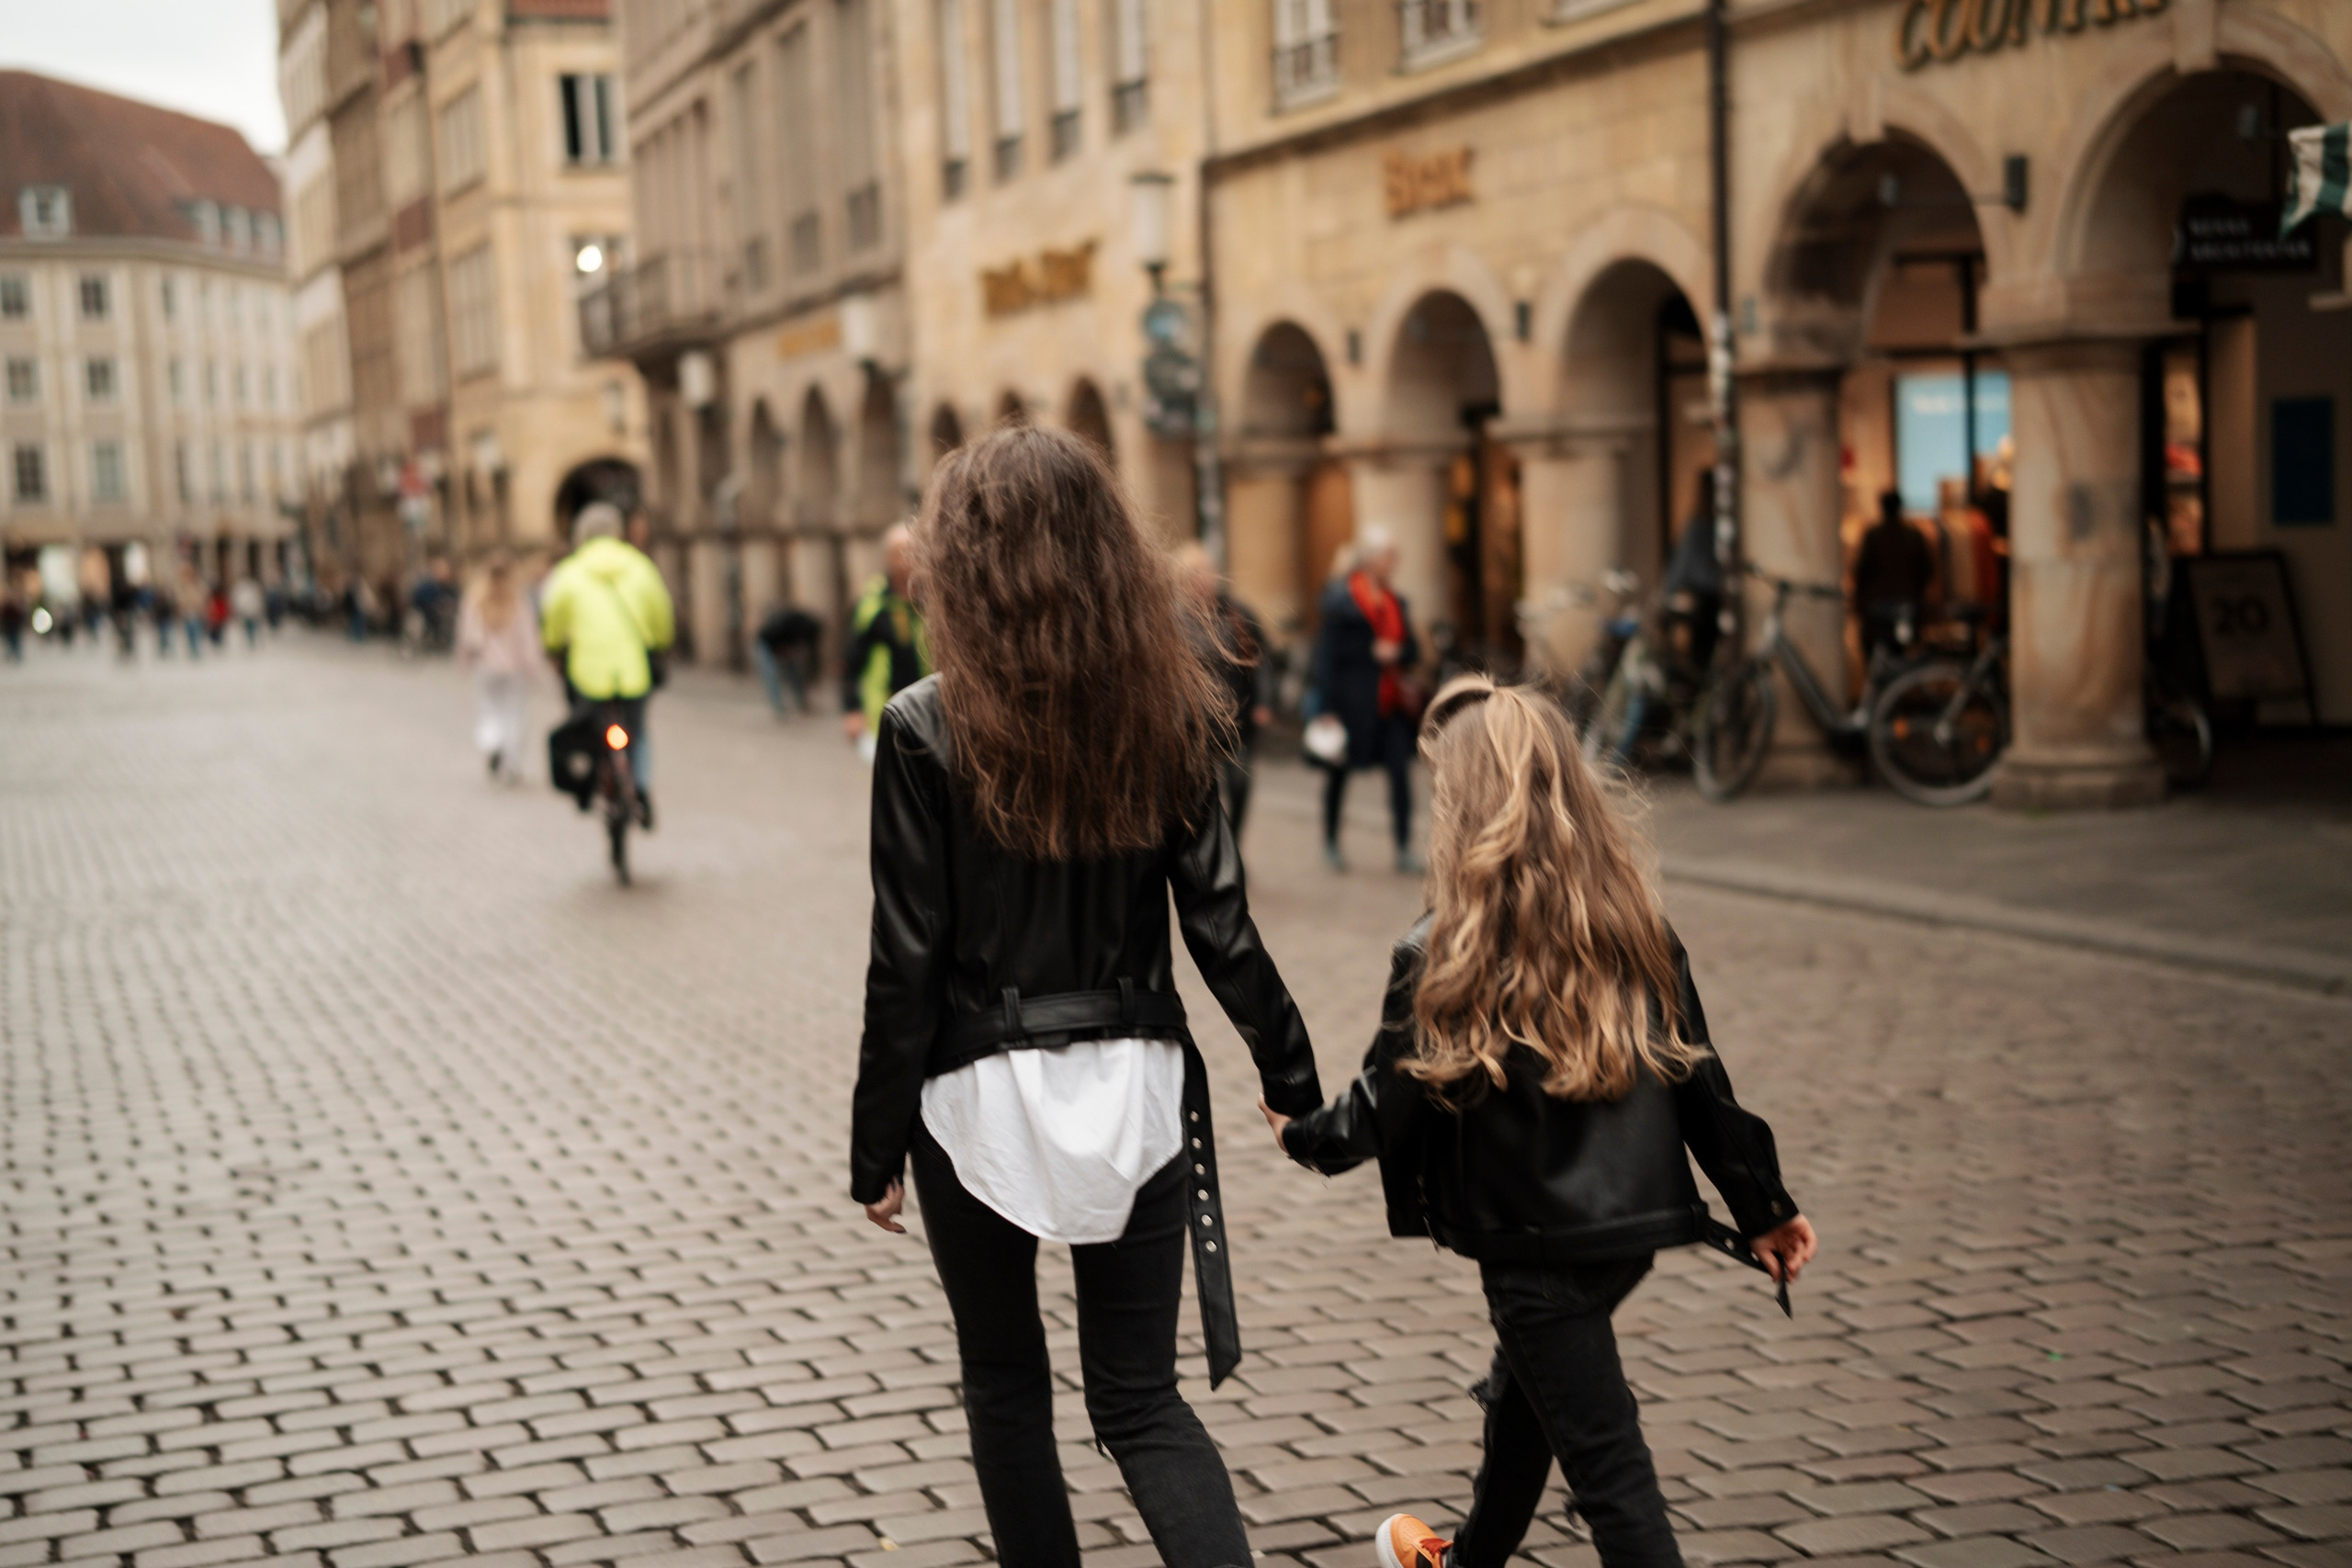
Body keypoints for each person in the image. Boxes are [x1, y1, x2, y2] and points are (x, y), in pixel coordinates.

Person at [851, 425, 1322, 1568]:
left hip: (973, 1098)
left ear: (959, 566)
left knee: (1007, 1389)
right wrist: (1291, 1078)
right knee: (1140, 1401)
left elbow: (904, 958)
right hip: (1135, 1086)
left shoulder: (922, 725)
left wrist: (874, 1149)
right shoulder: (1168, 704)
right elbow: (1220, 923)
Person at [1265, 676, 1816, 1568]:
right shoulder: (1632, 923)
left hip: (1531, 1250)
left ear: (1465, 804)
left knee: (1609, 1474)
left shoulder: (1442, 947)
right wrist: (1762, 1207)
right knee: (1527, 1406)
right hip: (1623, 1237)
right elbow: (1702, 1083)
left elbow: (1379, 1108)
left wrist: (1300, 1135)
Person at [541, 502, 676, 825]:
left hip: (588, 672)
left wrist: (554, 649)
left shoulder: (569, 572)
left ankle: (596, 781)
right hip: (632, 671)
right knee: (638, 731)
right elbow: (661, 614)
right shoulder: (640, 566)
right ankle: (641, 788)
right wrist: (660, 643)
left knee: (589, 728)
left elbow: (553, 621)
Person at [1307, 527, 1421, 874]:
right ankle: (1330, 842)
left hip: (1390, 706)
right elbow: (1326, 657)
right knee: (1339, 775)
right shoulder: (1341, 601)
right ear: (1371, 559)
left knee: (1401, 774)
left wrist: (1396, 652)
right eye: (1389, 556)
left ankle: (1403, 847)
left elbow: (1414, 650)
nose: (1394, 564)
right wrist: (1326, 709)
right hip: (1351, 704)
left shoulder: (1394, 602)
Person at [1176, 542, 1272, 837]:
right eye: (1199, 574)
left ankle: (1234, 841)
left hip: (1237, 716)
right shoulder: (1174, 616)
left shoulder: (1237, 613)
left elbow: (1261, 658)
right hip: (1194, 720)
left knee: (1241, 785)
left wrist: (1264, 701)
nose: (1208, 580)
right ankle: (1209, 847)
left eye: (1210, 572)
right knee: (1200, 791)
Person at [842, 522, 930, 761]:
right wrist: (852, 709)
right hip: (886, 711)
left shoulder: (934, 598)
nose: (910, 559)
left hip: (930, 711)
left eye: (915, 551)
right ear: (889, 559)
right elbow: (851, 661)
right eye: (903, 553)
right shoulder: (874, 604)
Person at [458, 553, 543, 784]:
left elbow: (465, 636)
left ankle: (493, 743)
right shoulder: (518, 602)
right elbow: (528, 639)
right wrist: (533, 667)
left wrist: (464, 663)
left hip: (485, 667)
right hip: (514, 669)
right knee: (515, 716)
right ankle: (512, 764)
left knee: (489, 710)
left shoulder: (475, 601)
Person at [1852, 489, 1936, 661]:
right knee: (1901, 652)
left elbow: (1861, 572)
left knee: (1875, 653)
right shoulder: (1914, 536)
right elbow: (1928, 571)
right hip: (1906, 606)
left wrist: (1860, 603)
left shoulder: (1873, 535)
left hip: (1877, 609)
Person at [1659, 468, 1724, 674]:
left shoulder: (1706, 524)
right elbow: (1683, 566)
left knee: (1704, 660)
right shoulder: (1701, 525)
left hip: (1708, 601)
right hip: (1706, 602)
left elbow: (1680, 568)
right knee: (1702, 660)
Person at [752, 603, 823, 716]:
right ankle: (779, 708)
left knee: (795, 673)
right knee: (771, 676)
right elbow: (772, 638)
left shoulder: (809, 629)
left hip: (784, 646)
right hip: (767, 645)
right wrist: (782, 652)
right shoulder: (787, 626)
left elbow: (810, 652)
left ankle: (802, 703)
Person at [231, 577, 266, 648]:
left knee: (251, 627)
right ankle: (252, 641)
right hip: (248, 613)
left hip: (250, 613)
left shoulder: (245, 592)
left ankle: (253, 641)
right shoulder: (242, 592)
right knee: (250, 627)